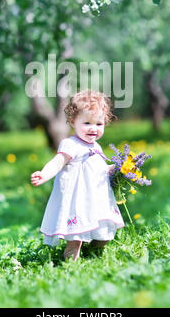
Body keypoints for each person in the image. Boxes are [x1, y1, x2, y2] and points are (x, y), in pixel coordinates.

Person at [30, 90, 125, 261]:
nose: (93, 129)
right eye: (87, 122)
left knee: (103, 235)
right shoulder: (70, 144)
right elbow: (57, 162)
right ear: (73, 121)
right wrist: (44, 174)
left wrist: (117, 169)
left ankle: (94, 255)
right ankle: (70, 265)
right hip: (77, 200)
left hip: (94, 200)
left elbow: (100, 168)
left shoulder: (96, 147)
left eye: (99, 124)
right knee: (76, 239)